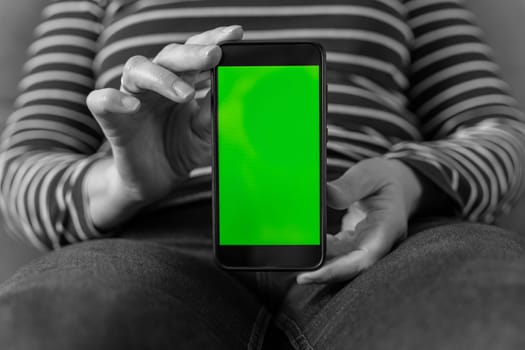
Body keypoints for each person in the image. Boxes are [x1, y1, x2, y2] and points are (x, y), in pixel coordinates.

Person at [1, 0, 525, 348]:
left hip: (371, 229)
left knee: (495, 311)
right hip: (154, 235)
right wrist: (122, 184)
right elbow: (21, 166)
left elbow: (499, 131)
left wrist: (409, 179)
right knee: (53, 328)